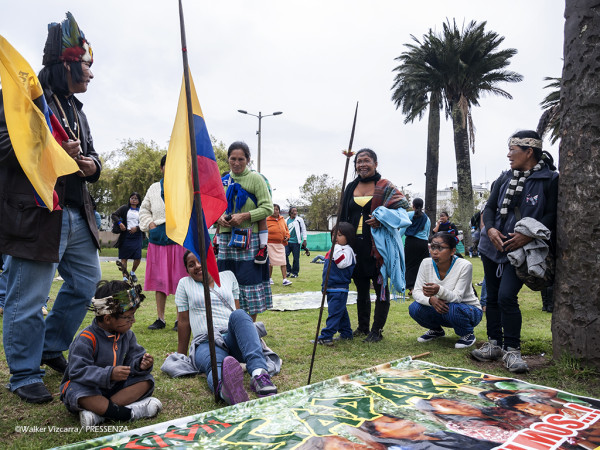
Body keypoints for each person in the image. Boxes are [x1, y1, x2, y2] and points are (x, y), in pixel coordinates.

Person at [0, 12, 102, 403]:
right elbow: (6, 147)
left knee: (85, 285)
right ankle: (24, 373)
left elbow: (91, 157)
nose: (91, 75)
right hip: (38, 213)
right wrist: (51, 149)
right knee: (27, 300)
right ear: (67, 64)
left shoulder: (76, 110)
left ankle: (49, 346)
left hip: (77, 214)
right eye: (87, 67)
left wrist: (91, 165)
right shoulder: (23, 99)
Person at [472, 130, 558, 374]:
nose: (508, 155)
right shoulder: (504, 178)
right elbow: (488, 209)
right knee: (491, 298)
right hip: (492, 247)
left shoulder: (549, 179)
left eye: (513, 150)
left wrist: (528, 235)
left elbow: (551, 215)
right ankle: (494, 344)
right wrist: (489, 231)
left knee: (507, 296)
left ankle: (512, 350)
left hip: (521, 251)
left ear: (529, 152)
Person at [175, 251, 277, 404]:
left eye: (200, 260)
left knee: (240, 314)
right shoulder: (184, 284)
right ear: (187, 270)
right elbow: (183, 321)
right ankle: (227, 390)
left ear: (210, 259)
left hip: (231, 336)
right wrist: (181, 355)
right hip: (205, 340)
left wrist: (248, 337)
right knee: (216, 365)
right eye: (191, 265)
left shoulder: (228, 276)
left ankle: (259, 375)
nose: (197, 266)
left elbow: (236, 314)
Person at [60, 279, 162, 426]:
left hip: (114, 389)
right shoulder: (86, 339)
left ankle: (101, 413)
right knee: (77, 392)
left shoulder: (127, 335)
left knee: (146, 381)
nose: (132, 321)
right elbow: (77, 371)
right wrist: (109, 374)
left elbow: (134, 359)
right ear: (108, 318)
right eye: (128, 317)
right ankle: (128, 414)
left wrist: (141, 364)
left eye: (133, 315)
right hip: (88, 388)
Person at [339, 148, 409, 343]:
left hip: (378, 246)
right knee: (361, 287)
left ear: (375, 164)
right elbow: (344, 216)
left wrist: (383, 220)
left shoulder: (385, 186)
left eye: (366, 160)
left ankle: (377, 330)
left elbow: (404, 211)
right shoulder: (351, 187)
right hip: (355, 246)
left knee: (380, 288)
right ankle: (362, 327)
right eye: (359, 161)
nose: (362, 164)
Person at [217, 141, 273, 321]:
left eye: (241, 159)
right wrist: (217, 217)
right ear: (228, 159)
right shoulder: (222, 181)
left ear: (248, 160)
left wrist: (244, 216)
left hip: (250, 239)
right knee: (225, 282)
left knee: (248, 284)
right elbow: (213, 207)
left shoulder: (256, 179)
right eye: (233, 158)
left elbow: (267, 208)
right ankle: (229, 325)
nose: (236, 162)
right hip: (226, 240)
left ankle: (250, 326)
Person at [139, 155, 188, 331]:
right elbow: (144, 209)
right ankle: (160, 318)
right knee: (159, 280)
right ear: (161, 168)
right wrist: (149, 224)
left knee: (180, 280)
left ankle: (179, 319)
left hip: (179, 238)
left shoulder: (185, 187)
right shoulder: (153, 188)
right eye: (167, 165)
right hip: (158, 238)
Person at [409, 232, 483, 348]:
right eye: (432, 247)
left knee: (452, 308)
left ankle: (467, 334)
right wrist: (431, 300)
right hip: (441, 307)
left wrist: (438, 290)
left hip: (467, 309)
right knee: (414, 308)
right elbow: (417, 291)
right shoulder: (426, 263)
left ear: (452, 251)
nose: (435, 251)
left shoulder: (464, 265)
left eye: (440, 248)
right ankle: (436, 330)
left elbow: (457, 298)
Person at [316, 222, 357, 345]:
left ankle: (326, 336)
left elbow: (341, 264)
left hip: (339, 288)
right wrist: (324, 287)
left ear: (348, 237)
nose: (335, 238)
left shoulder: (347, 250)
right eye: (334, 235)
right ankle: (346, 333)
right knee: (341, 312)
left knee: (334, 314)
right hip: (331, 287)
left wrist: (337, 249)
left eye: (339, 235)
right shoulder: (334, 250)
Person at [111, 193, 144, 282]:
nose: (134, 200)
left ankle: (132, 272)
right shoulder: (124, 208)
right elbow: (114, 215)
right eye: (132, 198)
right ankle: (125, 277)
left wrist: (137, 228)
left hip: (137, 236)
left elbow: (146, 222)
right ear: (129, 199)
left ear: (139, 201)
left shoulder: (142, 210)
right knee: (124, 257)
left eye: (136, 198)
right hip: (125, 235)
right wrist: (120, 223)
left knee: (137, 257)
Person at [404, 197, 431, 294]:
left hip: (411, 242)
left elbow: (402, 229)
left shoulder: (409, 215)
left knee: (410, 265)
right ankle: (423, 287)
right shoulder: (427, 218)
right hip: (423, 243)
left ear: (413, 205)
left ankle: (412, 288)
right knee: (422, 265)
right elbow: (427, 233)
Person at [266, 204, 292, 286]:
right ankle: (269, 278)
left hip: (280, 244)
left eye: (277, 209)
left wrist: (287, 236)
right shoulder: (267, 219)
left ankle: (285, 279)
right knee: (270, 263)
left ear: (279, 211)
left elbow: (286, 230)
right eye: (273, 209)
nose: (275, 211)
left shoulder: (282, 219)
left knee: (283, 262)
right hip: (270, 244)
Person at [285, 206, 307, 278]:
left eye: (296, 211)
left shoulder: (299, 220)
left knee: (296, 258)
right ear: (290, 212)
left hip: (296, 242)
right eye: (294, 211)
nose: (295, 212)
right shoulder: (286, 220)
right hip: (287, 242)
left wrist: (304, 240)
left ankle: (295, 273)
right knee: (284, 255)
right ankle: (288, 270)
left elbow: (303, 229)